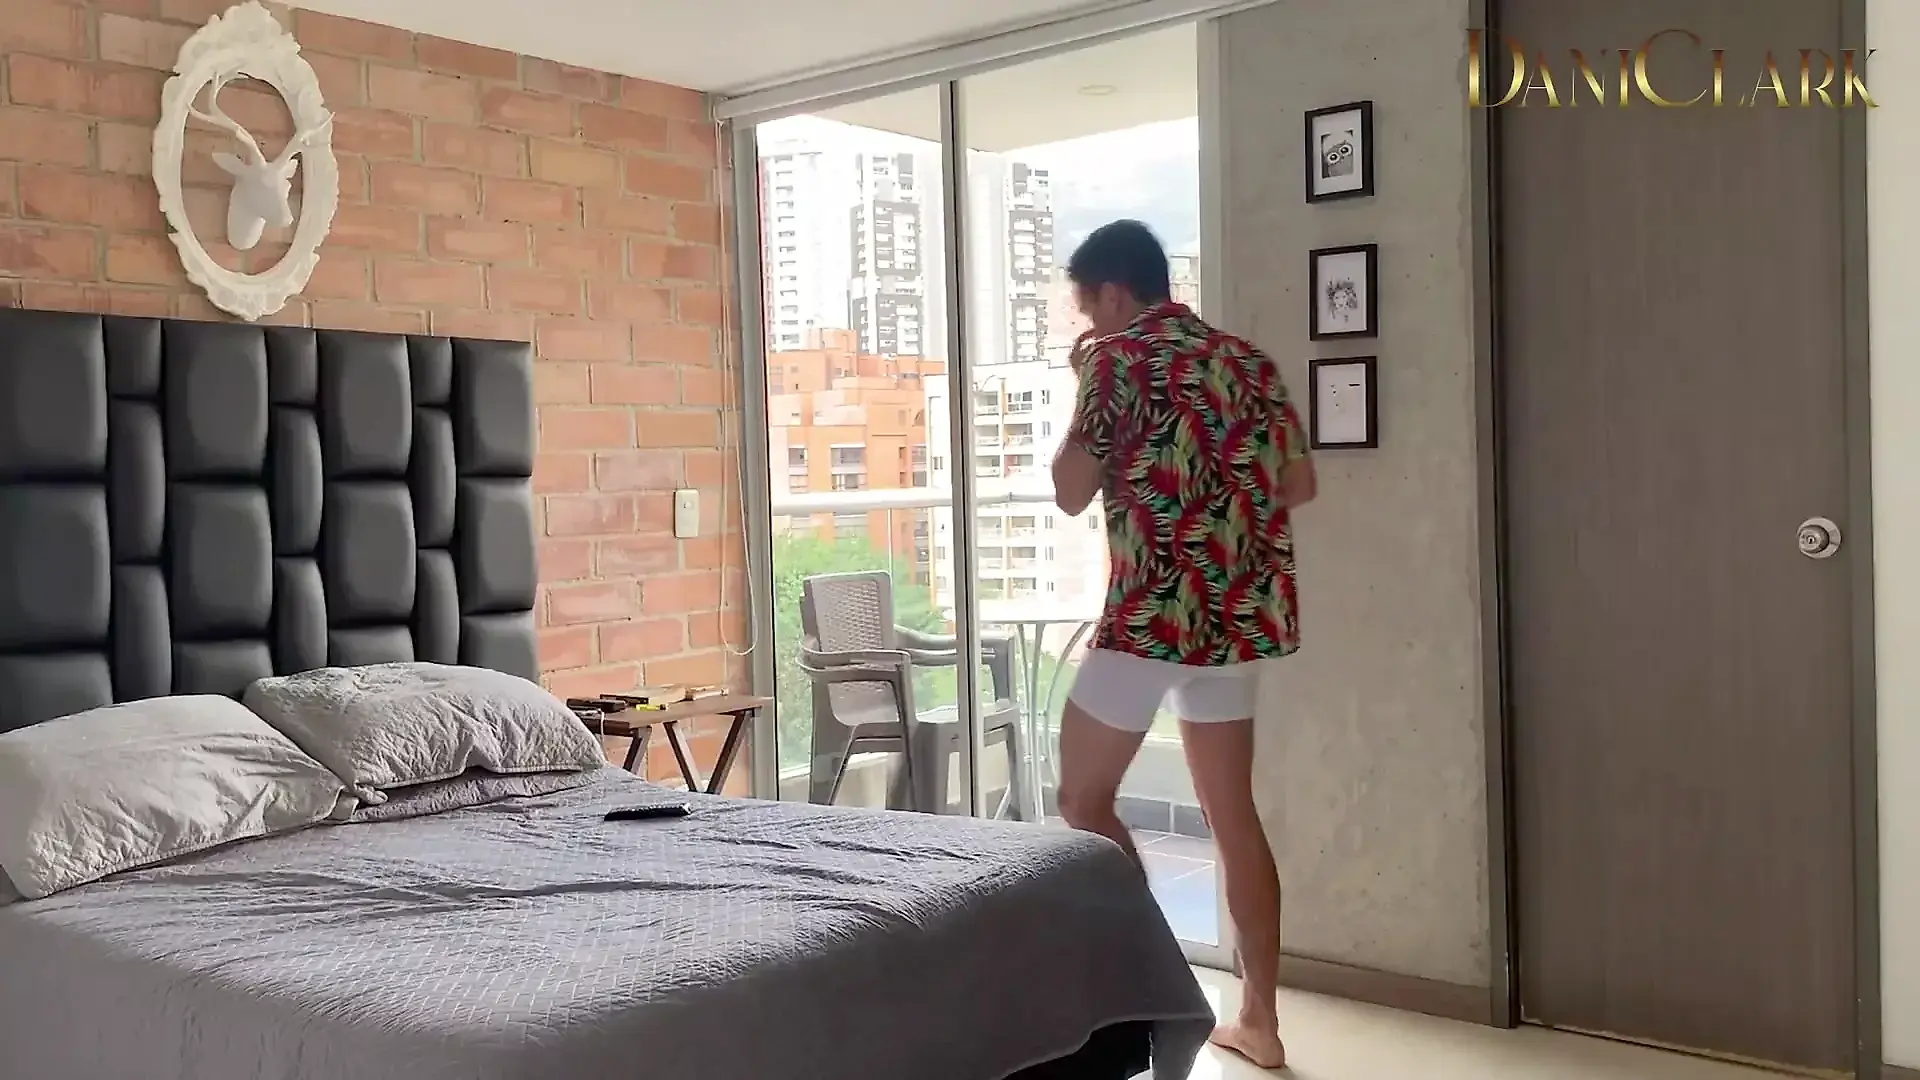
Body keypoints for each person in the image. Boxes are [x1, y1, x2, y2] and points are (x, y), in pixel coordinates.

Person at [1050, 219, 1315, 1071]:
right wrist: (1218, 500)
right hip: (1234, 618)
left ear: (1114, 294)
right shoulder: (1247, 361)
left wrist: (1087, 386)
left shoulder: (1114, 359)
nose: (1087, 321)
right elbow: (1298, 483)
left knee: (1083, 798)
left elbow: (1069, 490)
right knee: (1232, 814)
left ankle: (1164, 990)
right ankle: (1260, 1021)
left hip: (1152, 615)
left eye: (1087, 305)